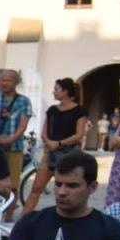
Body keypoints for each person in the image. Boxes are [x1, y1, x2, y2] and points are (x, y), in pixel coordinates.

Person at [23, 78, 91, 217]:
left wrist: (59, 143)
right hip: (50, 152)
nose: (54, 92)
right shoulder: (52, 110)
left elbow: (79, 134)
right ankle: (24, 219)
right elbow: (44, 130)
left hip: (69, 153)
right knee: (36, 187)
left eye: (57, 89)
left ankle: (68, 216)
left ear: (66, 92)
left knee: (66, 188)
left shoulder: (79, 111)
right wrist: (48, 141)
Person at [0, 70, 33, 191]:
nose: (4, 83)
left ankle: (9, 209)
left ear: (15, 82)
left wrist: (11, 139)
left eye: (8, 80)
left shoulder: (24, 101)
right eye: (3, 80)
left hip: (15, 147)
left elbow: (23, 125)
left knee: (13, 185)